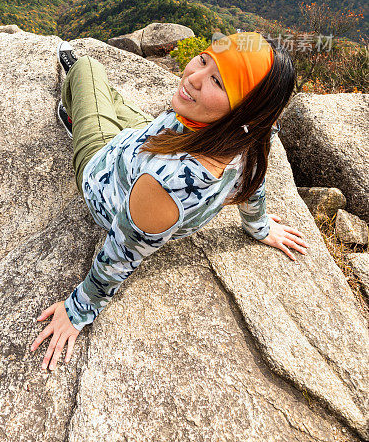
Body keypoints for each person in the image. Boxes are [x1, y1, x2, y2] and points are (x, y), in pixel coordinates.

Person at [30, 31, 309, 372]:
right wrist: (259, 227)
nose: (192, 77)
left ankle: (74, 111)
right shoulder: (247, 135)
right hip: (149, 140)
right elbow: (252, 182)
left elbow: (122, 251)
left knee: (87, 68)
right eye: (204, 60)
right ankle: (92, 103)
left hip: (102, 171)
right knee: (113, 98)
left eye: (217, 82)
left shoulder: (163, 187)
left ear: (246, 111)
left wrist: (77, 311)